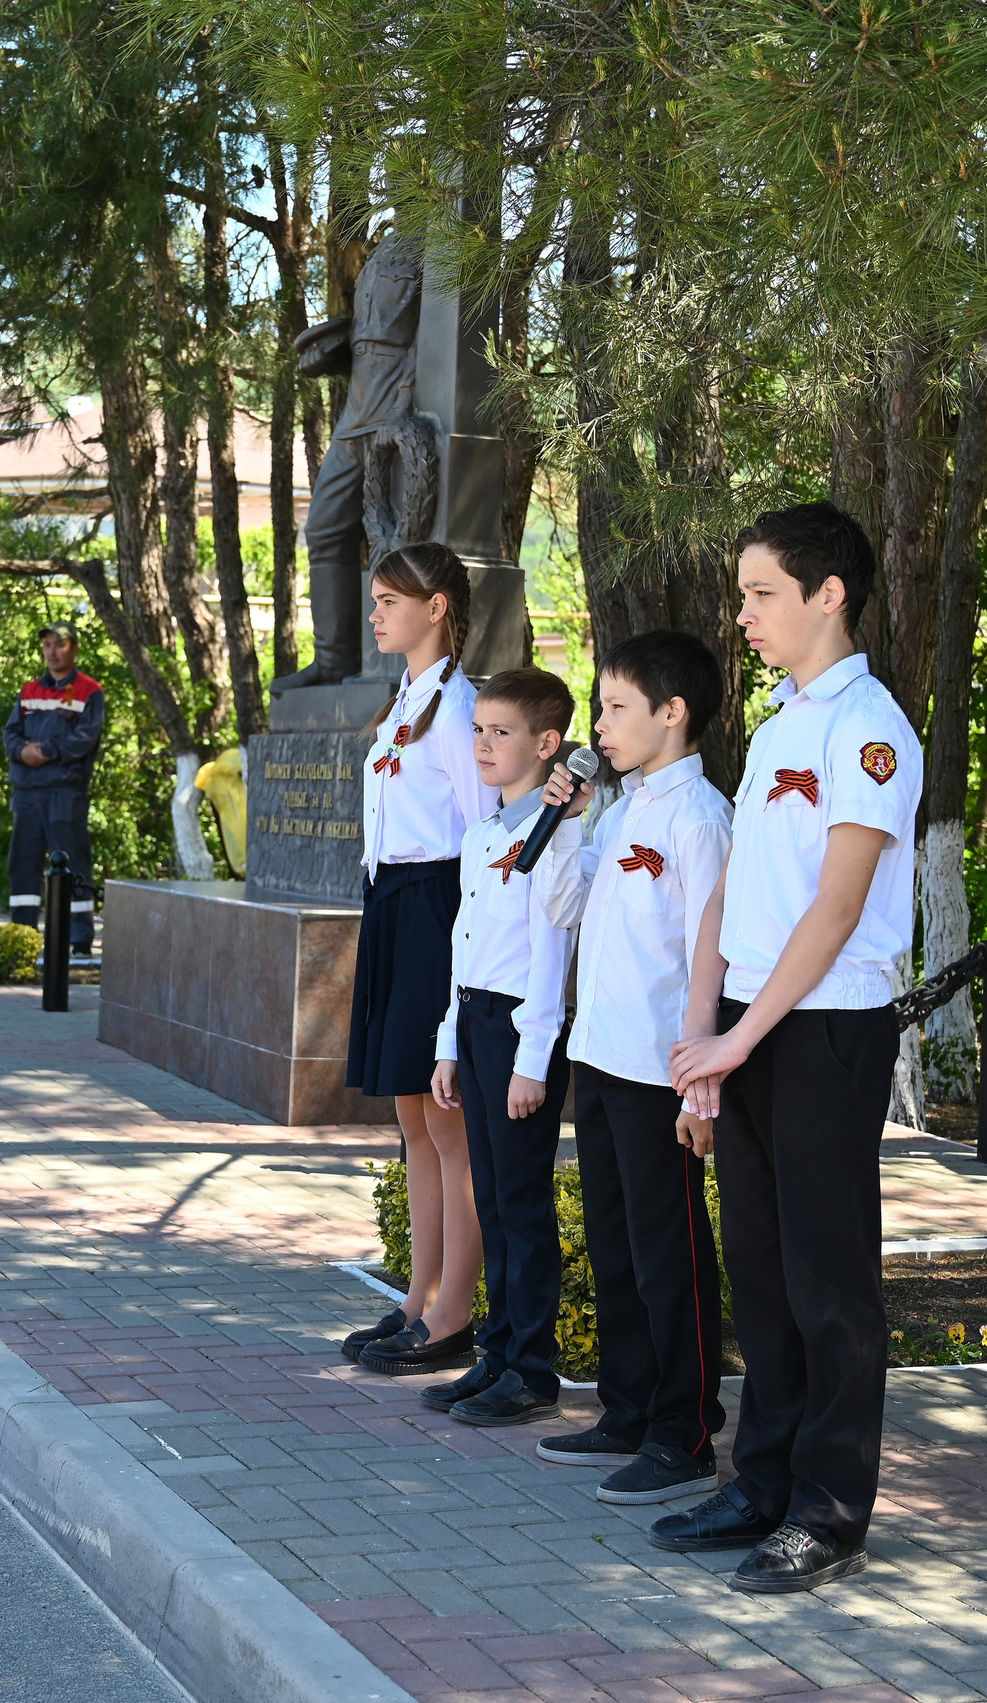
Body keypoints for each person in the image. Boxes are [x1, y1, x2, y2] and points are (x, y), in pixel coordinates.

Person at [656, 502, 924, 1595]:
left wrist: (738, 1037)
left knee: (829, 1276)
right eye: (743, 592)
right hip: (754, 1027)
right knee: (759, 1267)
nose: (745, 613)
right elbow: (733, 888)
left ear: (829, 595)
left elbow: (835, 907)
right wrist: (702, 1030)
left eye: (763, 592)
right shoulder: (777, 725)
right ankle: (758, 1480)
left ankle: (828, 1507)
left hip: (824, 1028)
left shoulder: (869, 729)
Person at [535, 630, 733, 1508]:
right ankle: (625, 1409)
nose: (601, 726)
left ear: (672, 712)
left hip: (661, 1069)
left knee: (670, 1255)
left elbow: (712, 953)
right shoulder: (616, 811)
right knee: (614, 1247)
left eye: (617, 707)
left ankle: (681, 1432)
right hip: (600, 1059)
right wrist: (563, 822)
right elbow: (564, 907)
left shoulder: (700, 817)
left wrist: (701, 1082)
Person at [403, 665, 581, 1423]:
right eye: (477, 729)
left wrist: (532, 1061)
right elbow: (464, 949)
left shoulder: (557, 834)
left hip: (520, 1029)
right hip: (474, 1022)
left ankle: (531, 1368)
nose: (482, 744)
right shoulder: (484, 836)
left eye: (500, 732)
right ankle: (498, 1354)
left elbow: (552, 953)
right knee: (490, 1197)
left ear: (548, 743)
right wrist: (447, 1044)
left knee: (521, 1201)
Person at [340, 544, 495, 1375]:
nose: (376, 615)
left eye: (389, 601)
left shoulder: (462, 704)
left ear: (436, 607)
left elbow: (481, 840)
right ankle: (418, 1297)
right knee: (412, 1118)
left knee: (448, 1123)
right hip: (393, 906)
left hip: (440, 908)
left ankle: (453, 1314)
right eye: (373, 601)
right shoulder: (405, 700)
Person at [0, 619, 102, 947]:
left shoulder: (89, 690)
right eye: (47, 645)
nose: (52, 651)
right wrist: (21, 751)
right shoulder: (29, 690)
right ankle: (23, 938)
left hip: (64, 791)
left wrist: (43, 750)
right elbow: (10, 733)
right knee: (23, 866)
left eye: (59, 645)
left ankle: (79, 940)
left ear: (74, 647)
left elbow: (83, 739)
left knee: (72, 863)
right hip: (27, 792)